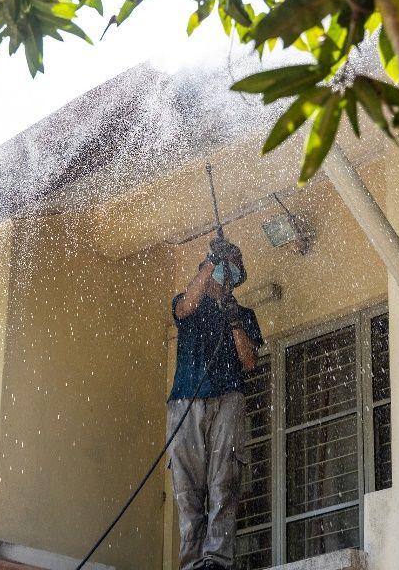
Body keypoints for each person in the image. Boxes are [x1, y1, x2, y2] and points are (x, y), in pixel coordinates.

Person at [168, 236, 264, 570]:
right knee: (187, 485)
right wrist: (212, 259)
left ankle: (217, 560)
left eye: (228, 275)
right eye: (216, 273)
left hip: (228, 398)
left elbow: (249, 361)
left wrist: (234, 318)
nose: (222, 281)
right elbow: (185, 305)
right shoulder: (189, 303)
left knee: (224, 478)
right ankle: (193, 562)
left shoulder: (244, 314)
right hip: (186, 399)